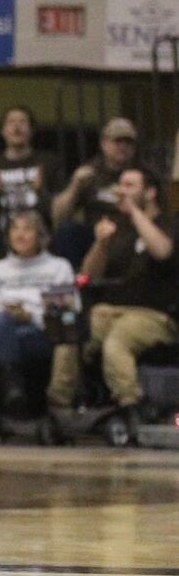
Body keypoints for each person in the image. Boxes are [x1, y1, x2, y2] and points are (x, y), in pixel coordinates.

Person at [47, 166, 177, 420]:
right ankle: (58, 405)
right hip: (108, 309)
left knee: (116, 342)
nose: (122, 190)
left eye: (130, 185)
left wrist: (135, 211)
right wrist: (100, 243)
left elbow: (162, 251)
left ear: (149, 192)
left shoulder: (168, 222)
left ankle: (131, 405)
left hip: (153, 314)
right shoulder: (115, 225)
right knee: (71, 333)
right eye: (120, 185)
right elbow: (88, 274)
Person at [0, 211, 74, 443]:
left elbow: (65, 315)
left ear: (41, 236)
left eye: (27, 229)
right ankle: (11, 386)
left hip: (39, 337)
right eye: (15, 229)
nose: (20, 235)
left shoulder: (57, 268)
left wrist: (29, 315)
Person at [51, 117, 142, 263]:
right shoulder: (90, 171)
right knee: (68, 230)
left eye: (128, 142)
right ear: (104, 144)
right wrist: (75, 186)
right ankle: (71, 281)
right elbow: (58, 217)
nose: (123, 146)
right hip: (95, 235)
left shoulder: (143, 173)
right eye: (117, 141)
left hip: (131, 233)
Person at [0, 106, 61, 223]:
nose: (17, 127)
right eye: (11, 122)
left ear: (31, 130)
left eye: (22, 122)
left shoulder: (48, 162)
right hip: (0, 232)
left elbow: (58, 207)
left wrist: (41, 191)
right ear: (3, 130)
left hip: (40, 232)